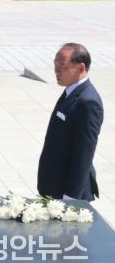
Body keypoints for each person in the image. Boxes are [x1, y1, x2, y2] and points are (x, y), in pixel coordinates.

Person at [37, 43, 103, 201]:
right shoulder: (71, 91)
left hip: (68, 193)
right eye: (55, 64)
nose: (56, 70)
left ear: (81, 68)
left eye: (62, 65)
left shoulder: (88, 102)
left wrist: (71, 198)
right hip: (54, 187)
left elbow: (84, 154)